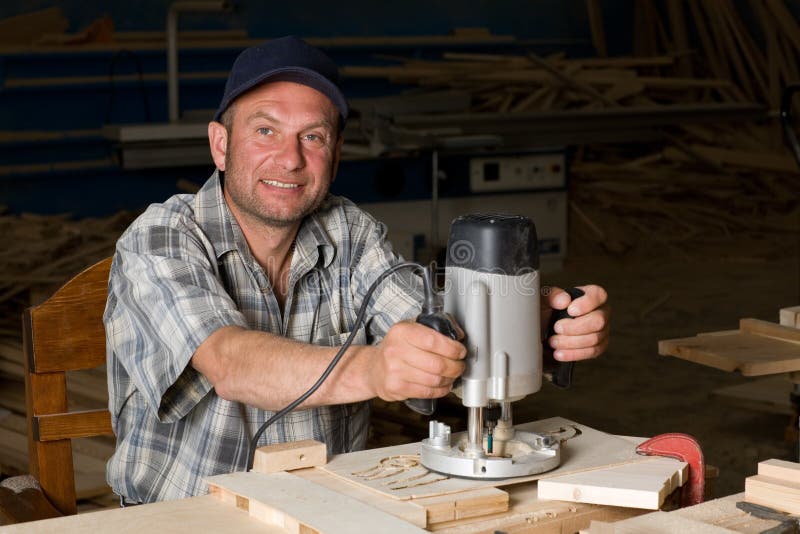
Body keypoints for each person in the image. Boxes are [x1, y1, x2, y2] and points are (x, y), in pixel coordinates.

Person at [104, 36, 610, 504]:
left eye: (313, 137)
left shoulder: (350, 231)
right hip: (185, 516)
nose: (290, 159)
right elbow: (230, 364)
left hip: (333, 510)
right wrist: (374, 369)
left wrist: (533, 326)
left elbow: (432, 334)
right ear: (220, 144)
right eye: (265, 131)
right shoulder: (160, 237)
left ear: (336, 153)